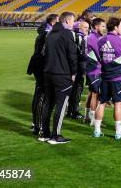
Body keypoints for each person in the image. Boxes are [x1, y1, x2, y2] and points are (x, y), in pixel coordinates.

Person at [93, 17, 121, 140]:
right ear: (115, 27)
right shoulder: (120, 40)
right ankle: (119, 132)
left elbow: (97, 55)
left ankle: (97, 131)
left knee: (102, 103)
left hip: (104, 76)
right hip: (117, 78)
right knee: (118, 104)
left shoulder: (101, 40)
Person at [41, 12, 78, 145]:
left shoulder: (50, 33)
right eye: (73, 21)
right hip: (61, 75)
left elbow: (44, 53)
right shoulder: (67, 34)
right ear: (67, 21)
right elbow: (72, 55)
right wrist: (74, 72)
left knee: (48, 103)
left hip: (48, 73)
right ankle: (55, 136)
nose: (73, 24)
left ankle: (44, 133)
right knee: (61, 106)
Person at [26, 13, 58, 137]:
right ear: (53, 23)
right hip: (42, 66)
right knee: (42, 96)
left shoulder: (44, 31)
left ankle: (36, 124)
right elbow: (45, 53)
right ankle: (38, 126)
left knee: (39, 95)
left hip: (37, 65)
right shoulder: (48, 34)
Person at [84, 17, 105, 125]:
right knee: (96, 94)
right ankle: (93, 118)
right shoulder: (93, 37)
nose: (104, 28)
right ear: (96, 26)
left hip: (93, 68)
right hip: (94, 69)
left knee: (92, 92)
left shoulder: (96, 36)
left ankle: (87, 116)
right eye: (102, 26)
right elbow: (99, 54)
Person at [67, 21, 89, 119]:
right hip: (79, 68)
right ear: (79, 28)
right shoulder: (80, 38)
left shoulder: (73, 37)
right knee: (77, 90)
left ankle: (70, 111)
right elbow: (82, 55)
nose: (87, 29)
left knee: (73, 90)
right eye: (85, 27)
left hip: (72, 67)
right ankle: (74, 112)